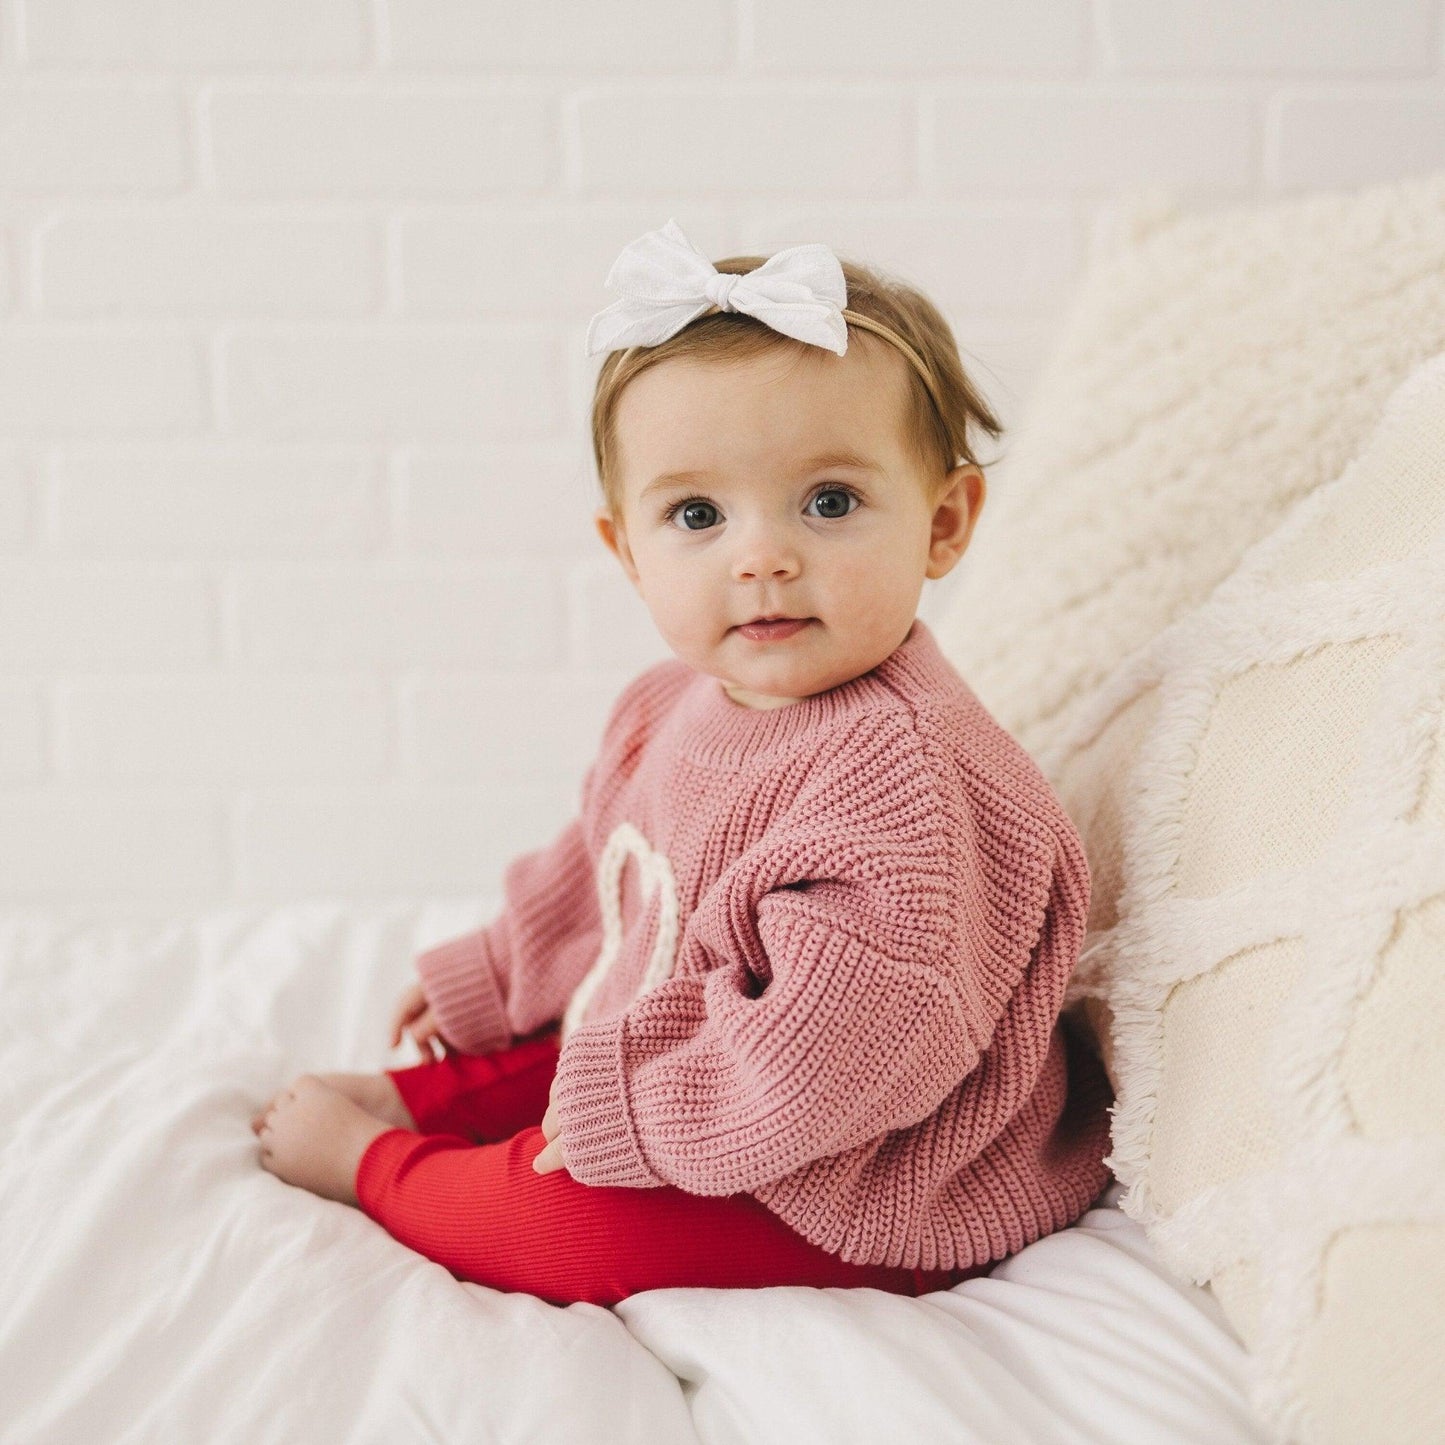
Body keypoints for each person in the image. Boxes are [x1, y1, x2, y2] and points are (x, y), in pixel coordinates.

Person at [251, 218, 1115, 1308]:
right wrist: (496, 967)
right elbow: (607, 883)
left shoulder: (901, 784)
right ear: (627, 550)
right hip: (738, 1072)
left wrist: (621, 1120)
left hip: (865, 1175)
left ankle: (383, 1165)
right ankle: (428, 1096)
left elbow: (827, 1061)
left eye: (830, 501)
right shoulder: (672, 704)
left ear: (942, 522)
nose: (762, 554)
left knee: (564, 1223)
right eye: (697, 513)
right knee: (590, 1031)